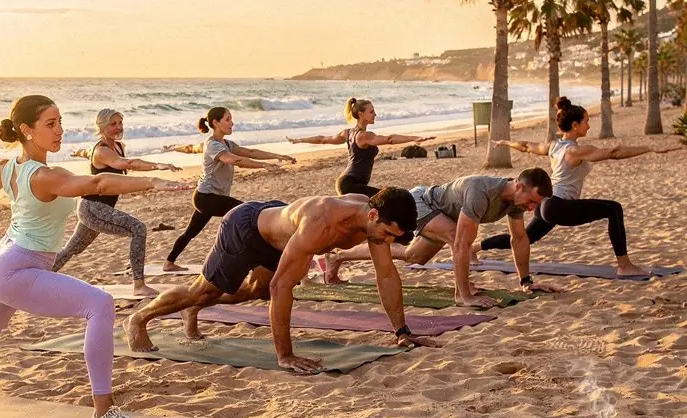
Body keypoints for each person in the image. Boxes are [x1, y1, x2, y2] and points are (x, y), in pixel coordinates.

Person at [0, 94, 187, 418]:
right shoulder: (45, 176)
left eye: (61, 122)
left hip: (0, 260)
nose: (60, 130)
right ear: (26, 130)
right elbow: (97, 183)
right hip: (17, 268)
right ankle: (104, 414)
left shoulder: (7, 167)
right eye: (50, 124)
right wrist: (152, 182)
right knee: (100, 304)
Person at [127, 188, 433, 373]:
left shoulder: (374, 221)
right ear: (372, 215)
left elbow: (387, 274)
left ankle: (192, 309)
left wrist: (402, 332)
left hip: (279, 231)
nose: (388, 240)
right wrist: (285, 355)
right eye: (388, 233)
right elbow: (282, 287)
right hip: (246, 229)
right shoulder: (321, 222)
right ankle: (139, 319)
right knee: (204, 291)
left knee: (254, 292)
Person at [478, 98, 683, 277]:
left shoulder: (554, 146)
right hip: (559, 206)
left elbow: (525, 146)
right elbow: (614, 152)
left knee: (525, 239)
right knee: (614, 208)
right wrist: (649, 148)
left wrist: (505, 141)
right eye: (586, 121)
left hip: (545, 205)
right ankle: (624, 265)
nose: (589, 126)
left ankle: (475, 248)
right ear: (575, 125)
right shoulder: (575, 151)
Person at [324, 170, 553, 309]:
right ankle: (460, 295)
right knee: (457, 238)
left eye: (536, 204)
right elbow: (462, 243)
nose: (532, 208)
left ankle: (338, 257)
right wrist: (465, 293)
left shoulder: (516, 201)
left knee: (413, 256)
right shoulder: (481, 192)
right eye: (531, 201)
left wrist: (526, 282)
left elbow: (520, 238)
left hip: (443, 215)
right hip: (424, 202)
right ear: (519, 186)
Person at [52, 108, 180, 297]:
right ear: (102, 127)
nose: (118, 127)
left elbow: (103, 156)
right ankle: (139, 285)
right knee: (138, 229)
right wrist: (157, 166)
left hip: (97, 208)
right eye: (113, 124)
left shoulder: (117, 146)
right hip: (93, 207)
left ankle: (38, 277)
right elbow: (127, 164)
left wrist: (79, 152)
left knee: (72, 249)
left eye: (120, 123)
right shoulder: (102, 151)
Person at [163, 106, 295, 271]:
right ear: (215, 123)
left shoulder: (226, 143)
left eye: (231, 119)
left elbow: (250, 152)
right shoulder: (213, 145)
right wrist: (264, 166)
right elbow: (234, 160)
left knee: (191, 232)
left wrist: (278, 156)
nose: (232, 123)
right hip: (208, 198)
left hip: (207, 197)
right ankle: (265, 264)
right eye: (228, 119)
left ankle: (169, 263)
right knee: (248, 218)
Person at [287, 97, 432, 196]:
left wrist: (300, 140)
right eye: (371, 111)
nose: (375, 114)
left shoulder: (348, 133)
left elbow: (323, 140)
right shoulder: (364, 136)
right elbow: (389, 139)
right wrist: (414, 138)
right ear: (361, 114)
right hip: (351, 184)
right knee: (392, 197)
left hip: (346, 182)